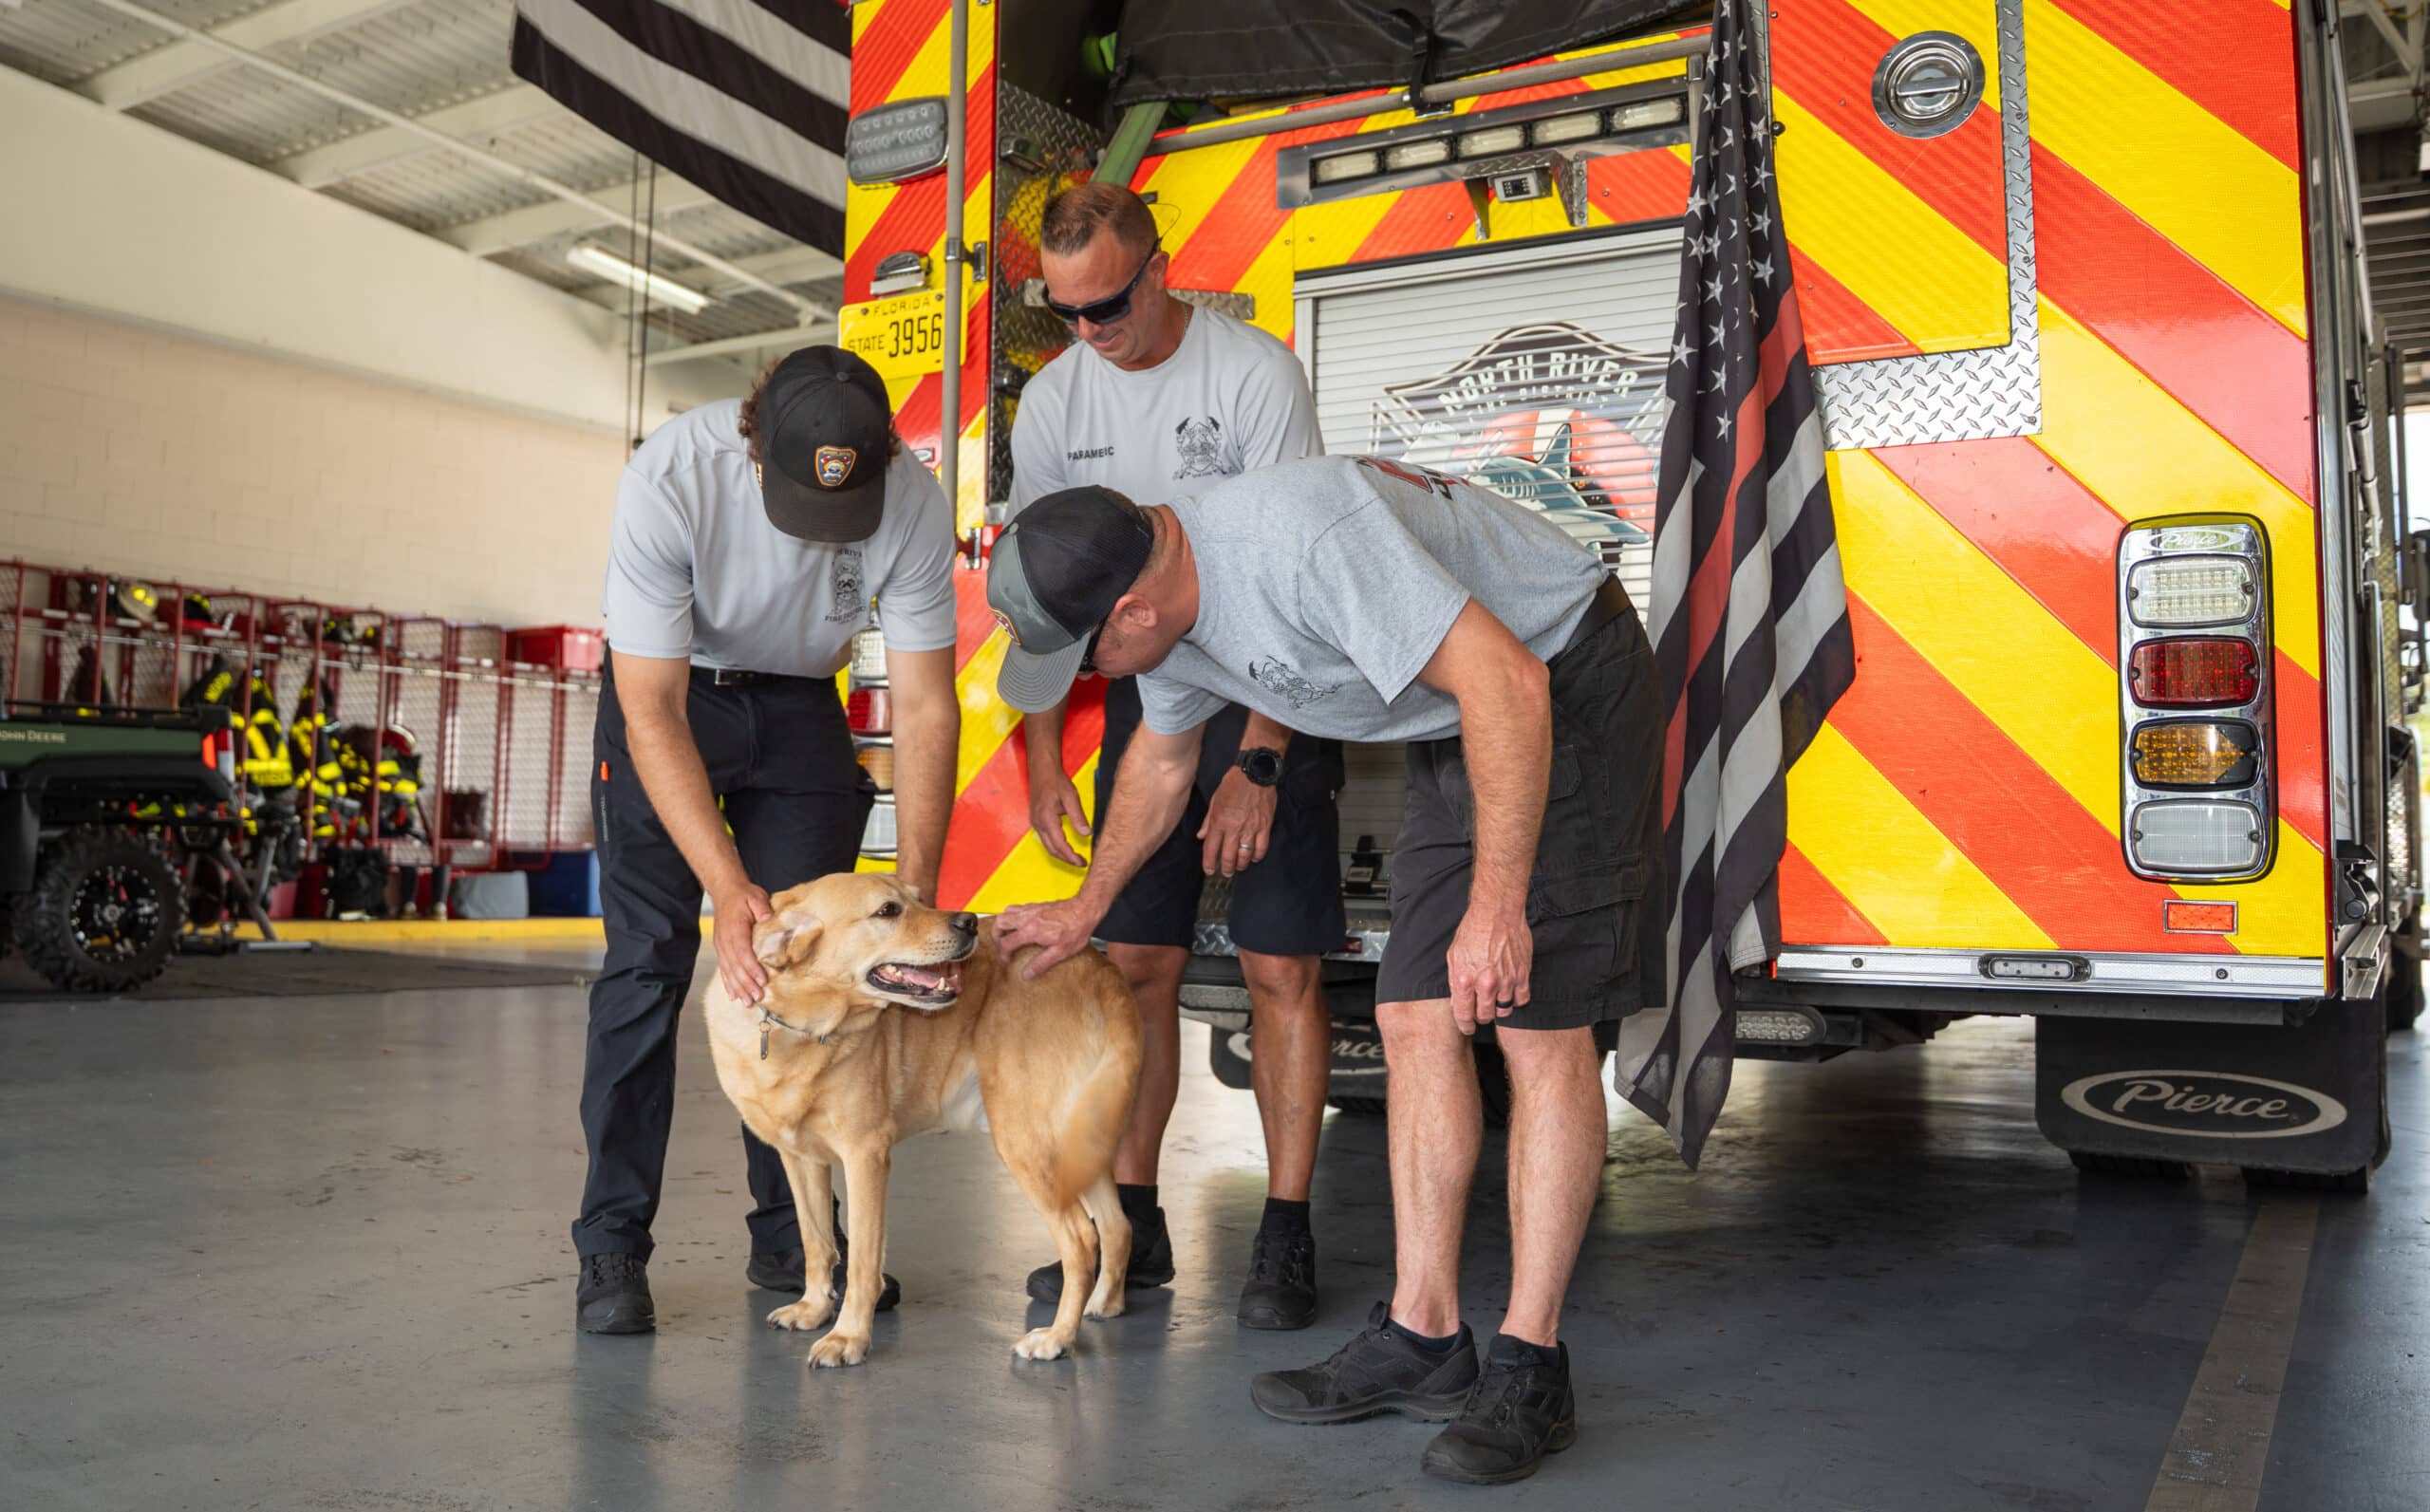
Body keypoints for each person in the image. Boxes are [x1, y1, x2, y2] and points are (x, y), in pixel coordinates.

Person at [991, 455, 1664, 1485]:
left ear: (1129, 610)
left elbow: (1508, 681)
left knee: (1532, 1016)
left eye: (1086, 656)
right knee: (1411, 1016)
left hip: (1558, 681)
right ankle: (1424, 1337)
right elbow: (1163, 765)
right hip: (1463, 712)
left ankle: (1533, 1361)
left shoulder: (1296, 541)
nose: (1090, 678)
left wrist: (1496, 909)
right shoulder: (1163, 618)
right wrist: (1087, 907)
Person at [995, 181, 1340, 1329]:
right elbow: (1045, 599)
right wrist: (1045, 757)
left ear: (1160, 268)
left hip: (1275, 690)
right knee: (1134, 963)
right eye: (1067, 313)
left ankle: (1284, 1236)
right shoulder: (1050, 402)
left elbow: (1299, 579)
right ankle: (1131, 1230)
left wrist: (1260, 763)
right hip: (1156, 691)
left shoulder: (1251, 375)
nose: (1090, 332)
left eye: (1108, 306)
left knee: (1277, 971)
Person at [572, 346, 962, 1335]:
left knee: (818, 971)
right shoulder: (671, 476)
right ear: (752, 446)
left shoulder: (911, 499)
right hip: (671, 693)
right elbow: (650, 709)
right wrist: (729, 893)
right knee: (647, 967)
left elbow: (922, 707)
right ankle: (613, 1241)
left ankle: (795, 1242)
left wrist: (907, 899)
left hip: (796, 706)